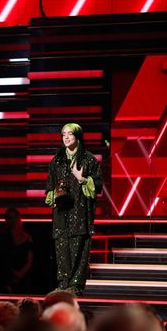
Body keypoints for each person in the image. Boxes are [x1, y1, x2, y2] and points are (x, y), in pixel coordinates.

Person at [45, 123, 102, 295]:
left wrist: (83, 179)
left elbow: (98, 185)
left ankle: (75, 285)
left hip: (80, 212)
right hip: (62, 213)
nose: (66, 137)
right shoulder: (56, 161)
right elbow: (49, 186)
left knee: (79, 248)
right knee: (62, 248)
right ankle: (63, 283)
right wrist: (53, 195)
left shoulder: (89, 159)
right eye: (64, 134)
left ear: (78, 136)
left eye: (70, 134)